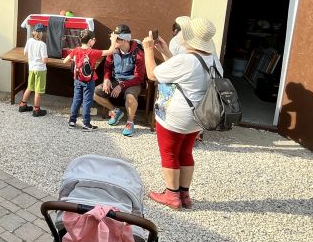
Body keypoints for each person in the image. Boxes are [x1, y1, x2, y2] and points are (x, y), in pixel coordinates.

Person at [143, 16, 222, 209]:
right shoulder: (213, 60)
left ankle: (171, 196)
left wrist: (147, 49)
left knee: (169, 153)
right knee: (185, 152)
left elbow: (152, 75)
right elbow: (185, 71)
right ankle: (184, 195)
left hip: (176, 117)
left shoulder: (187, 60)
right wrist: (165, 51)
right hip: (198, 116)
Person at [93, 24, 145, 137]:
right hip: (116, 80)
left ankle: (130, 122)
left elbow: (139, 78)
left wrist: (122, 85)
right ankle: (115, 111)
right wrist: (106, 79)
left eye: (116, 39)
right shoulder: (114, 50)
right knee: (96, 93)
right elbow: (107, 66)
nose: (113, 41)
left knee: (130, 97)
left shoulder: (138, 53)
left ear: (125, 40)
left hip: (132, 82)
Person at [63, 29, 118, 130]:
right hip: (89, 81)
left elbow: (65, 61)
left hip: (77, 80)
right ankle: (86, 124)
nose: (95, 41)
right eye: (94, 39)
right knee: (87, 102)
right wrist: (113, 40)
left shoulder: (76, 50)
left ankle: (72, 121)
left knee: (76, 100)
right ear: (89, 41)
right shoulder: (92, 52)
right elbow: (111, 51)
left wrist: (75, 61)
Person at [17, 24, 48, 116]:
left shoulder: (29, 41)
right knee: (38, 90)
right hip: (40, 70)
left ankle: (22, 105)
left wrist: (33, 57)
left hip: (31, 68)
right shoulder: (42, 44)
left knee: (30, 87)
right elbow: (44, 60)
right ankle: (36, 110)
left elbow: (25, 53)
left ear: (34, 32)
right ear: (42, 33)